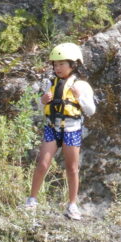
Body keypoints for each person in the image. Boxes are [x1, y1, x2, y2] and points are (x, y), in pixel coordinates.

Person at [26, 42, 96, 220]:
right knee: (42, 163)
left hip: (71, 129)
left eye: (61, 64)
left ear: (73, 65)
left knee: (72, 169)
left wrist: (79, 97)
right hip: (52, 127)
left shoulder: (81, 86)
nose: (57, 68)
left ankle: (72, 205)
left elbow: (90, 111)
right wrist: (42, 101)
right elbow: (39, 109)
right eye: (55, 64)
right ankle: (31, 200)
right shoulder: (50, 84)